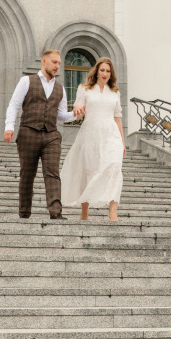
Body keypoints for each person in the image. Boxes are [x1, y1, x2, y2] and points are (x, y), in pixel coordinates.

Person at [4, 49, 83, 220]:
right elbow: (14, 105)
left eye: (59, 63)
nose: (57, 66)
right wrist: (9, 127)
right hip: (28, 132)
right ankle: (24, 213)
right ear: (44, 61)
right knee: (27, 174)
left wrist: (77, 115)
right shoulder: (27, 81)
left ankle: (56, 212)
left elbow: (61, 116)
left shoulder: (60, 89)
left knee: (53, 172)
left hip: (51, 135)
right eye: (54, 62)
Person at [61, 57, 125, 222]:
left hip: (112, 135)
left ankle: (113, 212)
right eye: (102, 70)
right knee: (88, 170)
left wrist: (123, 143)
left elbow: (117, 118)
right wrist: (76, 107)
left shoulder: (115, 92)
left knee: (115, 167)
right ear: (96, 71)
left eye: (108, 71)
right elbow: (77, 108)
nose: (105, 73)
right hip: (90, 134)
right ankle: (84, 212)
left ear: (111, 74)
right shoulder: (85, 89)